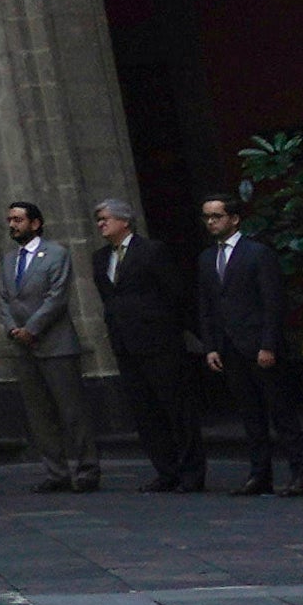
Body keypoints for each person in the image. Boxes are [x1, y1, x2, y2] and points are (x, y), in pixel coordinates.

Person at [198, 195, 303, 495]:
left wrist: (269, 344)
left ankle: (300, 474)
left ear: (234, 218)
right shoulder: (207, 258)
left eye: (217, 216)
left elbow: (273, 302)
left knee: (281, 412)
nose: (211, 222)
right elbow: (207, 306)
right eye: (207, 217)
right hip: (229, 347)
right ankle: (259, 473)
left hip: (259, 344)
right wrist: (210, 345)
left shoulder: (257, 253)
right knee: (250, 415)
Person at [93, 199, 202, 491]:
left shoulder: (152, 251)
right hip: (125, 345)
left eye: (105, 218)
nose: (101, 224)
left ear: (124, 221)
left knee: (176, 408)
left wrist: (169, 330)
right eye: (98, 220)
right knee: (146, 412)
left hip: (159, 342)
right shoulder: (101, 258)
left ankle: (191, 472)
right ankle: (165, 470)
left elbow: (174, 293)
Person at [0, 201, 95, 491]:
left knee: (71, 411)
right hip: (22, 347)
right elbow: (4, 298)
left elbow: (57, 296)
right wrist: (12, 329)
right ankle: (57, 472)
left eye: (18, 219)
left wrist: (32, 328)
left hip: (55, 345)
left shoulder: (56, 253)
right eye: (10, 220)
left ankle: (86, 470)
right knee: (39, 415)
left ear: (35, 223)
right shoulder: (8, 259)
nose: (12, 225)